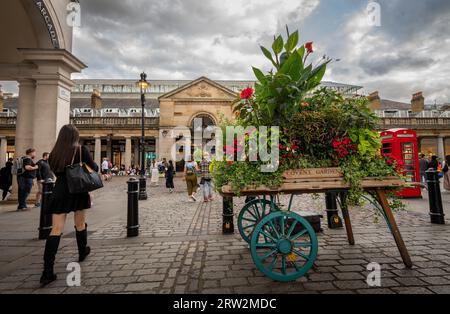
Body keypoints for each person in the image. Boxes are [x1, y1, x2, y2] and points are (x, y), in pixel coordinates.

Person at [40, 124, 99, 287]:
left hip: (59, 191)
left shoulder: (54, 154)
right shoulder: (81, 150)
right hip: (78, 190)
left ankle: (47, 272)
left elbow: (56, 172)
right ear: (75, 136)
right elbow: (95, 168)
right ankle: (82, 252)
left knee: (56, 229)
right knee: (79, 224)